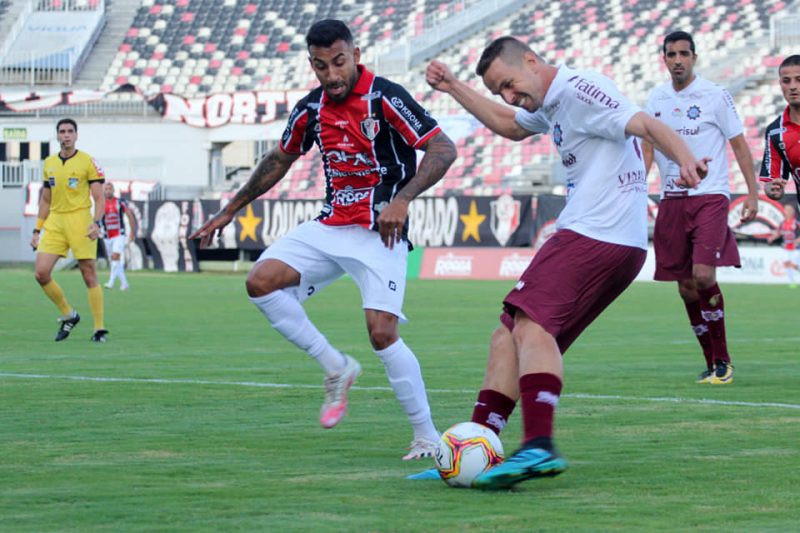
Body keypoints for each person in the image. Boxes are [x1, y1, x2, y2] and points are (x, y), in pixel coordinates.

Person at [422, 36, 707, 489]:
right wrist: (455, 86)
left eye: (511, 84)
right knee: (510, 332)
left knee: (530, 324)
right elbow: (510, 125)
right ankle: (479, 444)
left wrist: (686, 160)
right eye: (502, 91)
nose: (510, 97)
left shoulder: (580, 89)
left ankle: (538, 446)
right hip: (607, 239)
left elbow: (646, 125)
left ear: (533, 61)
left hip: (596, 233)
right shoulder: (550, 102)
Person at [189, 19, 457, 460]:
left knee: (381, 333)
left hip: (379, 231)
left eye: (338, 62)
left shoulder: (385, 96)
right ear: (310, 63)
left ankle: (426, 436)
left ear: (354, 53)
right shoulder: (311, 108)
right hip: (331, 225)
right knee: (260, 282)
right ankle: (335, 367)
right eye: (320, 66)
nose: (331, 75)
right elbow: (280, 158)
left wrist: (403, 199)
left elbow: (442, 148)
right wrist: (231, 208)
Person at [641, 31, 758, 386]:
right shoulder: (655, 100)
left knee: (704, 275)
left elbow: (738, 146)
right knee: (685, 287)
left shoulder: (715, 96)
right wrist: (636, 190)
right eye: (671, 54)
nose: (678, 60)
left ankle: (723, 361)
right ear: (664, 59)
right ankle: (710, 362)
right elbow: (647, 149)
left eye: (684, 54)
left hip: (710, 195)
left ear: (694, 57)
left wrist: (752, 194)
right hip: (672, 199)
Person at [31, 118, 108, 343]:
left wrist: (96, 222)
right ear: (57, 136)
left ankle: (99, 328)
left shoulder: (88, 162)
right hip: (55, 221)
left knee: (88, 274)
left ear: (76, 135)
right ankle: (69, 314)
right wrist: (37, 230)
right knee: (41, 273)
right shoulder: (49, 163)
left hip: (80, 220)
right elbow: (46, 199)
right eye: (62, 132)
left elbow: (99, 196)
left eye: (70, 131)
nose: (66, 135)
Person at [761, 55, 800, 204]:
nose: (792, 86)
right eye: (786, 81)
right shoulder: (775, 132)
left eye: (799, 79)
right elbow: (772, 181)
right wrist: (773, 188)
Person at [101, 182, 137, 290]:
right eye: (106, 189)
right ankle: (125, 284)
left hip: (119, 234)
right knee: (114, 261)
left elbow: (130, 215)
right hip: (107, 236)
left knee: (115, 257)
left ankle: (110, 283)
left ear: (113, 190)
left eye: (109, 189)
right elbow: (96, 217)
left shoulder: (120, 202)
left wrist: (132, 232)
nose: (107, 191)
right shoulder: (101, 203)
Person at [767, 203, 800, 286]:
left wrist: (798, 240)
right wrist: (772, 238)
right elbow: (779, 233)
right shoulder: (782, 223)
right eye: (786, 210)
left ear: (793, 211)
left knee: (795, 264)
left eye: (789, 210)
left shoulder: (796, 223)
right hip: (786, 247)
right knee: (786, 264)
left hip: (795, 247)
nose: (787, 212)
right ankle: (792, 282)